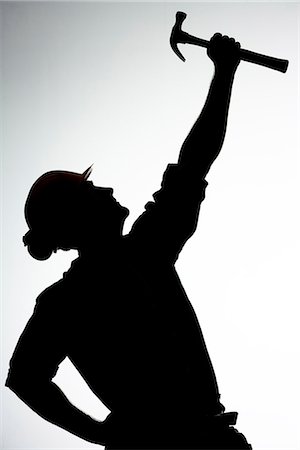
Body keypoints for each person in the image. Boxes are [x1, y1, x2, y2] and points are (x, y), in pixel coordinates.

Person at [6, 34, 252, 449]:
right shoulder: (140, 254)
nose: (107, 190)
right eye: (93, 190)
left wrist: (102, 435)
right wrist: (224, 72)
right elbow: (25, 379)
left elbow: (25, 379)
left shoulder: (69, 298)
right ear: (76, 216)